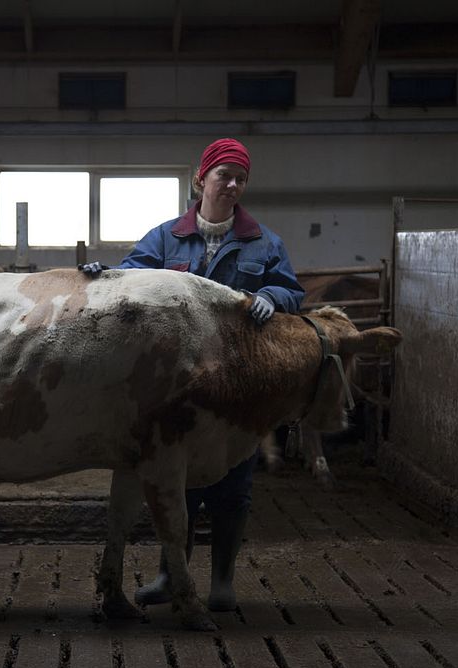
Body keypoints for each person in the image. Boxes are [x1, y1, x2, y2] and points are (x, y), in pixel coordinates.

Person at [81, 137, 304, 611]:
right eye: (224, 175)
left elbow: (290, 289)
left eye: (241, 178)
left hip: (239, 384)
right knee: (178, 482)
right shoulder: (166, 237)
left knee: (234, 487)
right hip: (181, 384)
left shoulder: (265, 242)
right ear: (201, 179)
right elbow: (134, 277)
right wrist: (105, 275)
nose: (233, 184)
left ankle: (222, 583)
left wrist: (273, 296)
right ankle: (170, 576)